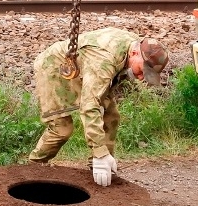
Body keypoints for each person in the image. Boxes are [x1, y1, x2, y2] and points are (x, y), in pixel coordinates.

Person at [27, 28, 170, 186]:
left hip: (84, 68)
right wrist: (99, 152)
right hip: (54, 68)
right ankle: (32, 168)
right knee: (61, 129)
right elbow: (89, 107)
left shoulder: (135, 45)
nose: (141, 77)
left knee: (111, 116)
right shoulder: (103, 60)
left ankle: (100, 167)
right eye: (142, 70)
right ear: (135, 53)